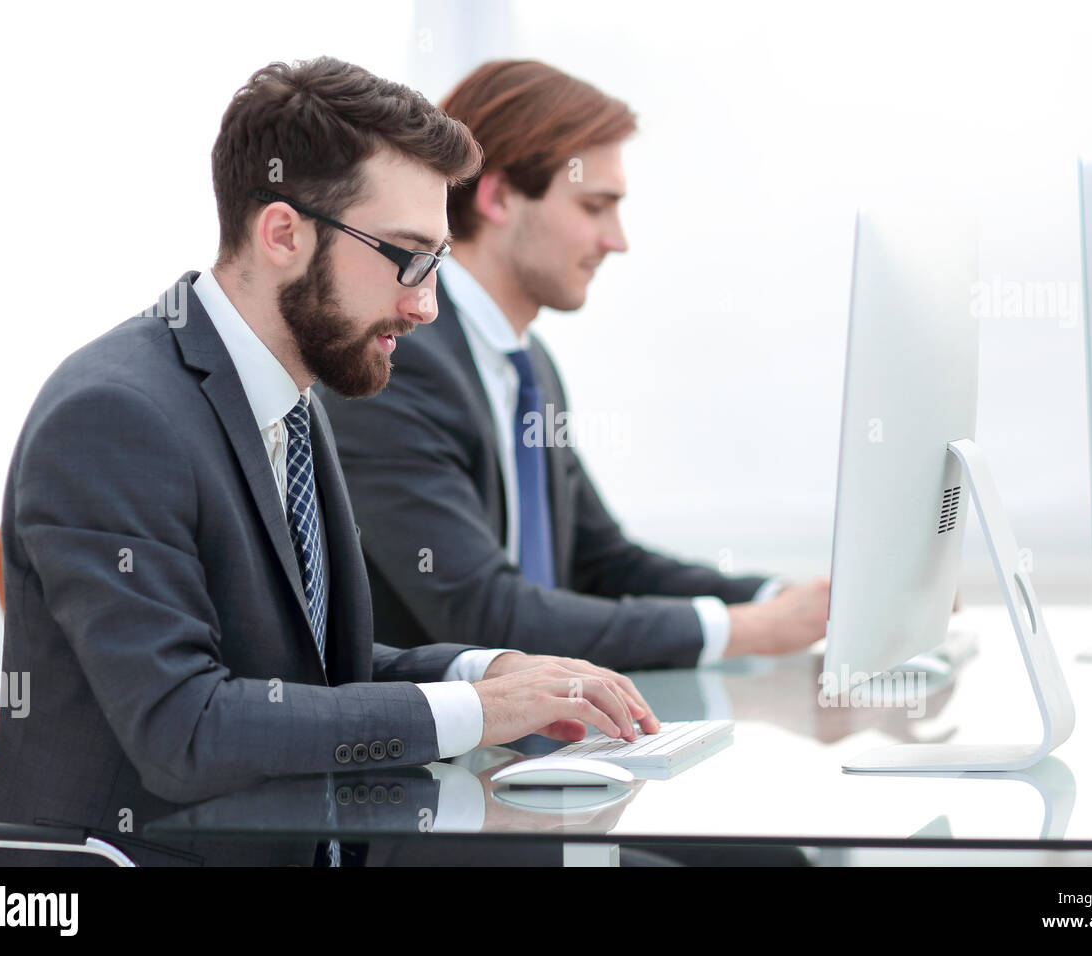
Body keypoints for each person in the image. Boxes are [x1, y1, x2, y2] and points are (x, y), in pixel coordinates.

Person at [0, 57, 658, 868]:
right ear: (284, 232)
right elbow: (186, 727)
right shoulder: (115, 417)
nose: (426, 304)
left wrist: (495, 670)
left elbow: (305, 667)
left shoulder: (291, 394)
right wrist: (472, 709)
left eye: (435, 260)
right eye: (405, 255)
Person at [315, 60, 831, 672]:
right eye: (595, 206)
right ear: (500, 196)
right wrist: (748, 629)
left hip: (521, 742)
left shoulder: (528, 366)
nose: (617, 240)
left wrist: (778, 601)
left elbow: (602, 563)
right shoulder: (398, 360)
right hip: (427, 754)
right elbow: (486, 614)